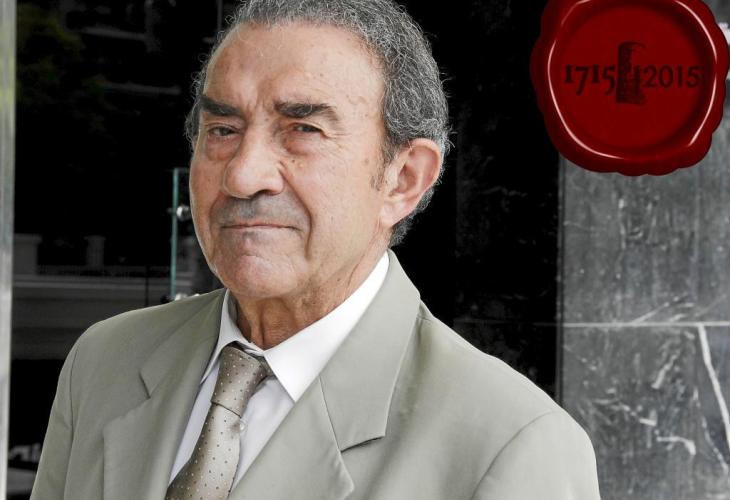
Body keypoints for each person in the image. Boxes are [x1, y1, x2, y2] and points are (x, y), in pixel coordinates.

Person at [31, 1, 602, 499]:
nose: (243, 175)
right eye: (223, 130)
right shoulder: (105, 361)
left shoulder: (511, 444)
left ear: (403, 179)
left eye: (302, 130)